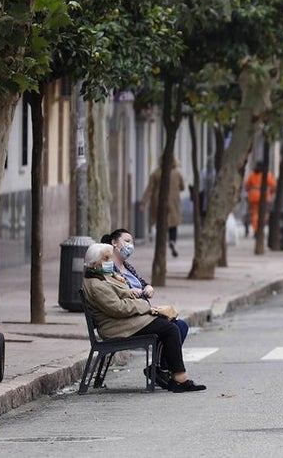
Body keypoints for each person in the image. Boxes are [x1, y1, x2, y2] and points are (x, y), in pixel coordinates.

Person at [81, 243, 205, 393]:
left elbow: (120, 294)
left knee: (173, 324)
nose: (109, 262)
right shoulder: (96, 285)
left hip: (124, 321)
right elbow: (118, 308)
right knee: (170, 328)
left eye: (109, 258)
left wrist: (131, 293)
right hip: (117, 326)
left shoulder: (103, 276)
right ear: (94, 264)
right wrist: (147, 308)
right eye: (106, 259)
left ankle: (165, 372)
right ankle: (180, 378)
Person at [102, 228, 189, 347]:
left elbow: (142, 282)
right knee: (171, 329)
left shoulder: (127, 266)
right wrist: (131, 292)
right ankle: (169, 365)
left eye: (132, 242)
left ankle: (161, 364)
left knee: (181, 326)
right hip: (132, 317)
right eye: (126, 241)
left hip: (145, 311)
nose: (130, 245)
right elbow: (116, 292)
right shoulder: (109, 268)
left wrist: (148, 287)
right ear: (114, 243)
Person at [141, 158, 185, 257]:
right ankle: (172, 241)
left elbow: (150, 189)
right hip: (173, 202)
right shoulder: (177, 173)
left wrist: (144, 202)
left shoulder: (156, 173)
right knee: (173, 224)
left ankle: (162, 244)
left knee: (161, 224)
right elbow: (182, 187)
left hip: (159, 201)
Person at [243, 161, 277, 238]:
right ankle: (260, 229)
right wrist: (270, 193)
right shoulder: (267, 175)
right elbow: (274, 186)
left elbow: (247, 185)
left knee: (254, 213)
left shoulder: (252, 175)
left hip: (253, 197)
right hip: (264, 197)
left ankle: (255, 229)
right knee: (263, 214)